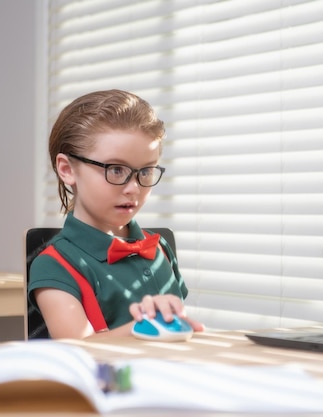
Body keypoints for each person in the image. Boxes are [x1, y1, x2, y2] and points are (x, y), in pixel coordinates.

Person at [28, 89, 204, 339]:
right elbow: (77, 351)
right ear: (67, 170)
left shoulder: (160, 247)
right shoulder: (53, 265)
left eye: (146, 171)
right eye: (116, 169)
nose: (133, 188)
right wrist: (142, 327)